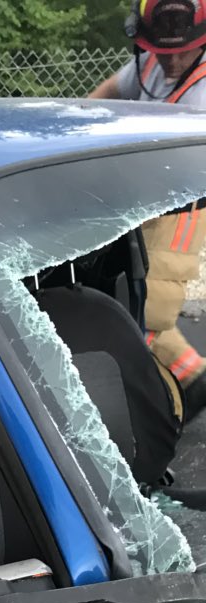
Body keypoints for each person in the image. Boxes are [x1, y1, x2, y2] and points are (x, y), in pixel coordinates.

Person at [90, 0, 206, 420]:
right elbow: (105, 94)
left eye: (183, 50)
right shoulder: (147, 68)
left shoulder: (202, 94)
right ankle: (192, 382)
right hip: (142, 203)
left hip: (181, 208)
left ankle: (173, 410)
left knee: (146, 315)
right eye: (162, 50)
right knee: (136, 308)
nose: (172, 60)